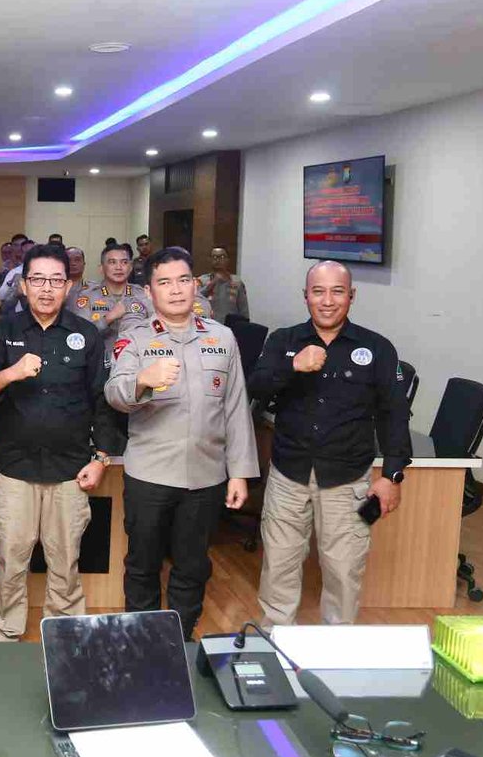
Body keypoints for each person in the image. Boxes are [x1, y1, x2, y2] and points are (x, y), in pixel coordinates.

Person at [247, 260, 411, 627]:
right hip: (288, 475)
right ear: (305, 296)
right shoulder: (284, 341)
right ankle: (275, 643)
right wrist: (292, 366)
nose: (327, 300)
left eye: (337, 292)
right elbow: (255, 387)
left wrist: (393, 476)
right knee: (279, 566)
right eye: (318, 291)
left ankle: (337, 649)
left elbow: (395, 414)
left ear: (351, 296)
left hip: (348, 480)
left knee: (344, 571)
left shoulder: (377, 348)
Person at [105, 247, 257, 639]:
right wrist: (143, 379)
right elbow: (114, 394)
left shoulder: (222, 337)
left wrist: (240, 473)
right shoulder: (134, 338)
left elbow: (235, 408)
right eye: (164, 282)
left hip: (206, 475)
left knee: (193, 566)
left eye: (183, 280)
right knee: (143, 565)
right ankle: (142, 643)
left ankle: (180, 640)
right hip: (150, 475)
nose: (175, 290)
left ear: (195, 286)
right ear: (149, 292)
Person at [0, 243, 118, 641]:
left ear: (68, 286)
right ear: (23, 284)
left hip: (70, 470)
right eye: (38, 279)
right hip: (14, 469)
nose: (47, 288)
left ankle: (65, 642)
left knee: (66, 565)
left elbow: (102, 401)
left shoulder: (86, 334)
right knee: (11, 563)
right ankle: (4, 637)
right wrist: (11, 373)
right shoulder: (3, 330)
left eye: (56, 280)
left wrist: (101, 458)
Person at [70, 243, 150, 340]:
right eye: (112, 262)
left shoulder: (143, 294)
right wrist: (108, 318)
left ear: (130, 267)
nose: (119, 267)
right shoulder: (87, 297)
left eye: (124, 262)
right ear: (101, 268)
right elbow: (80, 334)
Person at [199, 246, 250, 322]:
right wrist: (213, 283)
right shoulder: (202, 280)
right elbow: (196, 301)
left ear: (227, 260)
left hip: (231, 326)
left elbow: (243, 309)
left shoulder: (237, 282)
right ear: (209, 259)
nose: (218, 260)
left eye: (222, 257)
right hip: (208, 325)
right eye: (214, 257)